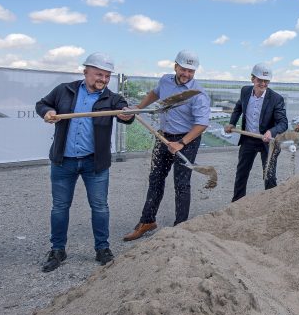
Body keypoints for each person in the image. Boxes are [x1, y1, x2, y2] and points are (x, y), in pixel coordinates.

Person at [34, 53, 134, 272]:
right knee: (60, 207)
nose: (104, 80)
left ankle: (102, 249)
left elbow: (126, 113)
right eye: (99, 74)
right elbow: (42, 104)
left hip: (94, 164)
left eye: (107, 76)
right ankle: (58, 250)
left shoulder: (112, 98)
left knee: (100, 207)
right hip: (63, 162)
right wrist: (48, 111)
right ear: (85, 71)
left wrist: (127, 115)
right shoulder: (65, 90)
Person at [123, 50, 211, 241]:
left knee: (181, 184)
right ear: (175, 66)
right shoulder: (165, 80)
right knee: (155, 178)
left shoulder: (198, 94)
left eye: (191, 71)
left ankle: (181, 227)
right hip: (163, 137)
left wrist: (181, 143)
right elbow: (154, 94)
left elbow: (202, 124)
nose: (186, 74)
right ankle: (147, 221)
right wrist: (138, 108)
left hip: (186, 140)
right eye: (183, 69)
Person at [224, 63, 288, 202]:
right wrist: (232, 123)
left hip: (268, 141)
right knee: (241, 173)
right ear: (252, 79)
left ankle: (271, 204)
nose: (263, 84)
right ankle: (237, 203)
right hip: (248, 139)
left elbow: (283, 123)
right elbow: (238, 108)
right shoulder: (245, 91)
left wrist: (271, 132)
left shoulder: (276, 99)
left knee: (269, 175)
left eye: (266, 81)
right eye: (260, 80)